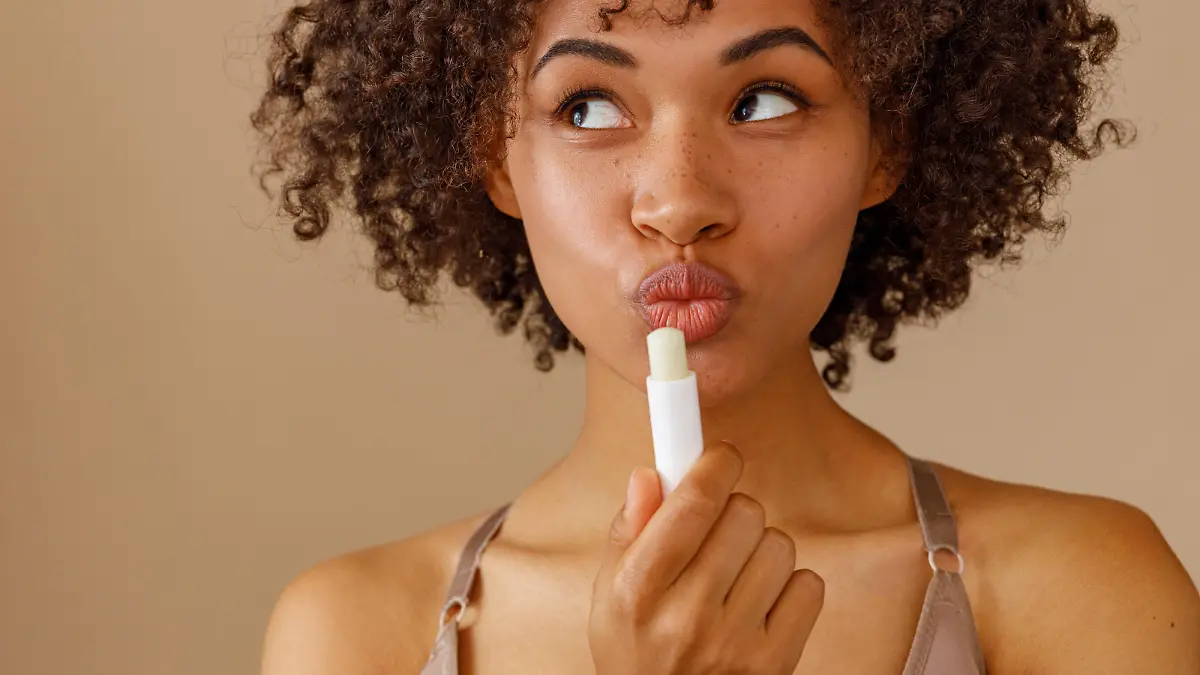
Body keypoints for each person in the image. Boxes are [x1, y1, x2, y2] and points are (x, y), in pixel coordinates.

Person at [250, 0, 1200, 672]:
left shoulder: (1079, 588)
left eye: (767, 101)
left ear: (889, 142)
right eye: (587, 108)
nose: (680, 203)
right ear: (494, 159)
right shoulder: (360, 634)